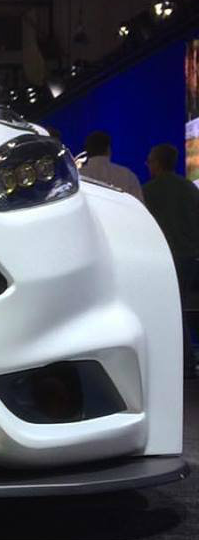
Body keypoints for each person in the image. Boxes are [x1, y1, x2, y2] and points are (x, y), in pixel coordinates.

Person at [142, 144, 199, 379]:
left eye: (150, 161)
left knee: (172, 312)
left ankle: (184, 363)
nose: (148, 165)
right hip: (191, 257)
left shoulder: (148, 191)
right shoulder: (189, 188)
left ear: (157, 163)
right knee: (184, 309)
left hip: (166, 259)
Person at [80, 131, 144, 202]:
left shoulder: (77, 177)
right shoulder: (128, 176)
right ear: (108, 149)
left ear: (85, 152)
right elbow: (139, 205)